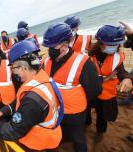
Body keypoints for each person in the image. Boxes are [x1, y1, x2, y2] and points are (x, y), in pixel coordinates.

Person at [0, 39, 64, 152]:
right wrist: (0, 112)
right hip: (47, 135)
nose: (13, 72)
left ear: (23, 68)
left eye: (13, 68)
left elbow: (11, 131)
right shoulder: (40, 78)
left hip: (40, 144)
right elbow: (19, 100)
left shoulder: (33, 99)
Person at [42, 23, 102, 152]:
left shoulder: (83, 62)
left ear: (64, 45)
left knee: (78, 140)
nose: (49, 50)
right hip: (56, 111)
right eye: (48, 47)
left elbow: (94, 90)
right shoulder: (46, 62)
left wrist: (75, 99)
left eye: (52, 47)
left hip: (75, 114)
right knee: (61, 134)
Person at [87, 25, 132, 140]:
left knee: (103, 115)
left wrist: (127, 79)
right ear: (100, 42)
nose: (113, 48)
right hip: (91, 91)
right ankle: (86, 123)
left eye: (116, 45)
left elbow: (122, 72)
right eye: (110, 45)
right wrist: (105, 78)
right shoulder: (88, 55)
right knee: (86, 109)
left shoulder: (118, 56)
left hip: (107, 94)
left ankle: (100, 131)